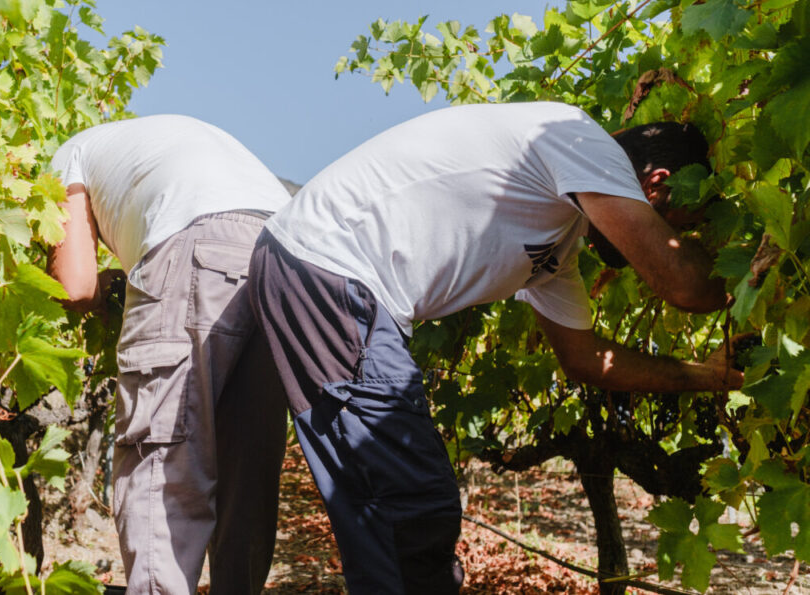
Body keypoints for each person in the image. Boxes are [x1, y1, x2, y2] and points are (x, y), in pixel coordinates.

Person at [246, 101, 745, 594]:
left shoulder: (557, 243)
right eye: (681, 225)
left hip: (324, 277)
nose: (676, 237)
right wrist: (756, 270)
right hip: (332, 267)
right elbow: (686, 284)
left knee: (388, 512)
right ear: (656, 184)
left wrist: (711, 375)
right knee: (413, 505)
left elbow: (585, 359)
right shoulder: (579, 138)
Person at [47, 115, 290, 594]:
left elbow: (75, 286)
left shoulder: (68, 154)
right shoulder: (156, 142)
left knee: (163, 460)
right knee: (248, 466)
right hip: (285, 251)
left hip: (197, 240)